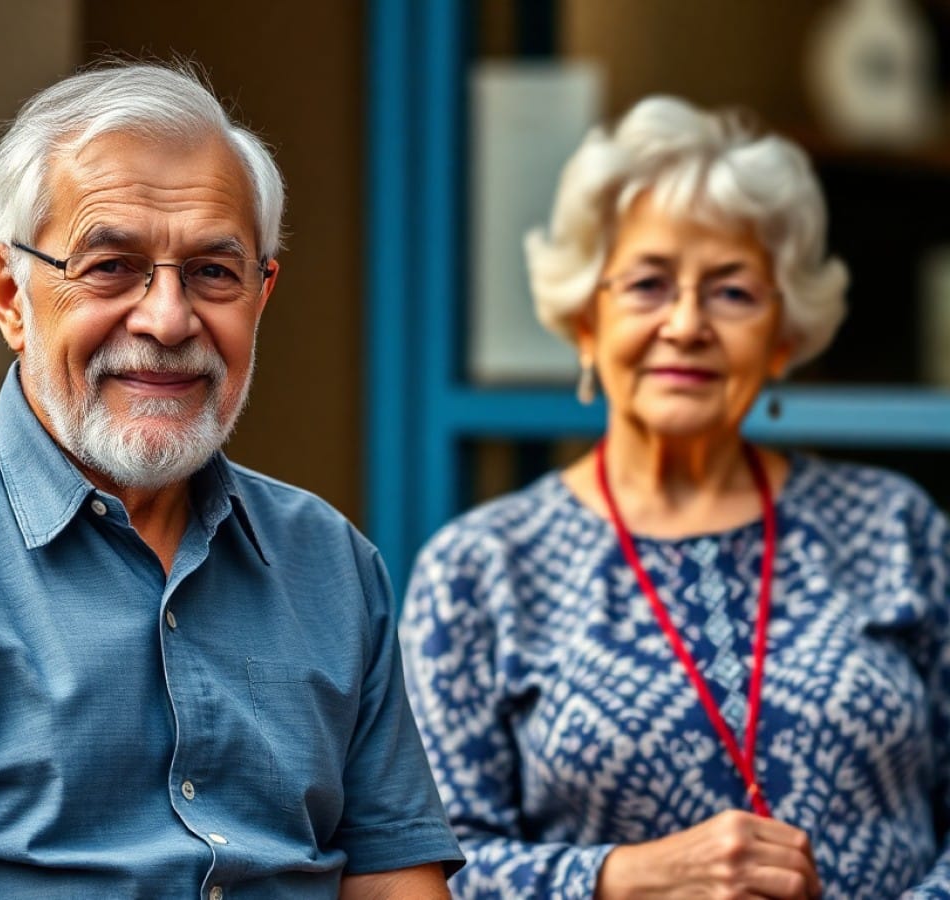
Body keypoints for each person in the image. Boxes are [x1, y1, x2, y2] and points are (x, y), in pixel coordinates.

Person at [0, 61, 463, 899]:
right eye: (111, 265)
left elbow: (393, 882)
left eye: (214, 271)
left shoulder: (329, 562)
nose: (168, 319)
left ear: (260, 295)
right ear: (10, 296)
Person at [400, 95, 950, 898]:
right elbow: (423, 869)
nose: (687, 325)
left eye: (733, 293)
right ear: (586, 320)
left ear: (784, 337)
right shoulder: (480, 569)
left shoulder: (895, 529)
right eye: (649, 285)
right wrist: (626, 876)